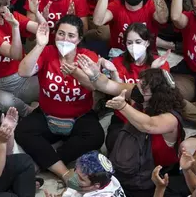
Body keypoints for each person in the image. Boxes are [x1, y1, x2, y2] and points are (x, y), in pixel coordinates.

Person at [14, 15, 105, 185]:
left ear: (79, 39)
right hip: (47, 114)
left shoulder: (88, 56)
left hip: (80, 116)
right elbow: (23, 72)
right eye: (61, 34)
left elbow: (94, 86)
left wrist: (76, 73)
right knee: (22, 131)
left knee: (96, 136)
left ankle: (47, 158)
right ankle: (62, 171)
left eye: (71, 35)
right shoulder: (47, 52)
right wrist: (40, 45)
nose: (65, 39)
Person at [71, 60, 184, 195]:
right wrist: (95, 75)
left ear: (157, 95)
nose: (138, 87)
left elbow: (147, 125)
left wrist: (123, 107)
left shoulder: (171, 119)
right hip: (128, 167)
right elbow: (108, 85)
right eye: (140, 83)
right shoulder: (140, 92)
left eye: (144, 88)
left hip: (155, 177)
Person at [93, 0, 169, 56]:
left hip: (147, 55)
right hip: (120, 55)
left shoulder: (151, 5)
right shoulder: (116, 6)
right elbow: (98, 21)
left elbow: (163, 18)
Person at [61, 151, 125, 197]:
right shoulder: (105, 177)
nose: (74, 177)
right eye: (75, 170)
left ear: (96, 185)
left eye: (81, 178)